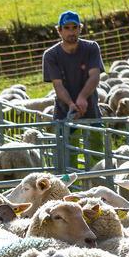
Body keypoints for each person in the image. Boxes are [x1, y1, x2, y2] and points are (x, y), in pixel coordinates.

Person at [42, 10, 105, 169]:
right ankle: (70, 189)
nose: (71, 31)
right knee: (67, 155)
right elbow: (58, 85)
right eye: (67, 28)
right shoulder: (51, 55)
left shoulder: (91, 48)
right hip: (65, 111)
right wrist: (71, 104)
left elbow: (94, 76)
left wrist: (83, 97)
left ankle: (97, 184)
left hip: (90, 108)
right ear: (59, 30)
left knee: (96, 153)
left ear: (80, 28)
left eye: (74, 27)